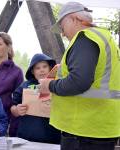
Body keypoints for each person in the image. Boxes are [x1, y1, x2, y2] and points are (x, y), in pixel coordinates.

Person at [39, 2, 120, 150]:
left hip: (83, 131)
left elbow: (79, 81)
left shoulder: (85, 39)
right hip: (101, 127)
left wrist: (48, 85)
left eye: (62, 27)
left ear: (74, 19)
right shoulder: (106, 39)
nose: (62, 33)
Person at [10, 53, 61, 144]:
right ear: (32, 71)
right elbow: (12, 107)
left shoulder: (58, 85)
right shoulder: (24, 85)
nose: (42, 70)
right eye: (38, 68)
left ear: (50, 68)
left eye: (44, 66)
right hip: (26, 138)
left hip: (53, 138)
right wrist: (17, 110)